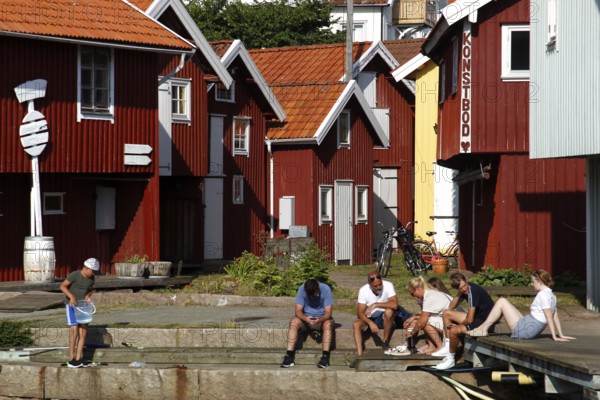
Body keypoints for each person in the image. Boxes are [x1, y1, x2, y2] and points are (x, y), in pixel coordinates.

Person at [466, 270, 576, 342]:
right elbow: (554, 315)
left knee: (502, 301)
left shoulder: (543, 296)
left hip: (525, 331)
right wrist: (560, 334)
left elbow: (549, 317)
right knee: (506, 303)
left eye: (533, 282)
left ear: (540, 281)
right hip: (528, 326)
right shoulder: (551, 295)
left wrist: (555, 337)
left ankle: (483, 329)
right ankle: (481, 328)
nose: (531, 284)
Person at [434, 272, 494, 370]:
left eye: (464, 286)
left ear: (466, 281)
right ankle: (447, 346)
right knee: (446, 313)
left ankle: (450, 359)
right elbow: (451, 307)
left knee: (453, 331)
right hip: (477, 317)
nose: (463, 289)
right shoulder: (464, 290)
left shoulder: (472, 291)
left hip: (485, 321)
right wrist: (459, 293)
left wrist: (457, 326)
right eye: (460, 288)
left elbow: (469, 320)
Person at [353, 271, 412, 356]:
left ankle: (385, 341)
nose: (378, 287)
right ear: (369, 284)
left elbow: (394, 305)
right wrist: (370, 323)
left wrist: (376, 305)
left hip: (384, 317)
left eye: (380, 284)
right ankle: (359, 355)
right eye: (375, 286)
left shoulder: (388, 285)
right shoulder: (363, 290)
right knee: (356, 324)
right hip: (371, 318)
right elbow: (359, 313)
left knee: (389, 311)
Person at [280, 278, 334, 369]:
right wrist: (305, 318)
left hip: (322, 318)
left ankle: (325, 357)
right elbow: (298, 311)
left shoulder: (326, 289)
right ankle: (289, 355)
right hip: (306, 318)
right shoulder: (302, 289)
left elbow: (328, 313)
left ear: (318, 289)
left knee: (328, 325)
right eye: (310, 295)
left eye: (314, 295)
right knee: (293, 322)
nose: (312, 297)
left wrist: (320, 320)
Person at [59, 257, 99, 368]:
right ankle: (71, 358)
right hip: (71, 306)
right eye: (93, 271)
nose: (93, 273)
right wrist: (71, 297)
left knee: (83, 332)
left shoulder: (92, 279)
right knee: (74, 331)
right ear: (86, 268)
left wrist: (87, 297)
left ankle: (78, 358)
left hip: (83, 307)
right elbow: (62, 286)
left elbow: (90, 289)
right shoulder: (75, 275)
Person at [404, 276, 452, 355]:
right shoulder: (429, 294)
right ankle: (431, 346)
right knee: (423, 321)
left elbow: (423, 320)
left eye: (413, 294)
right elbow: (424, 315)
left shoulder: (430, 296)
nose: (413, 297)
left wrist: (412, 333)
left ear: (418, 289)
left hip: (451, 324)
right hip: (446, 321)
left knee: (425, 322)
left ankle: (440, 347)